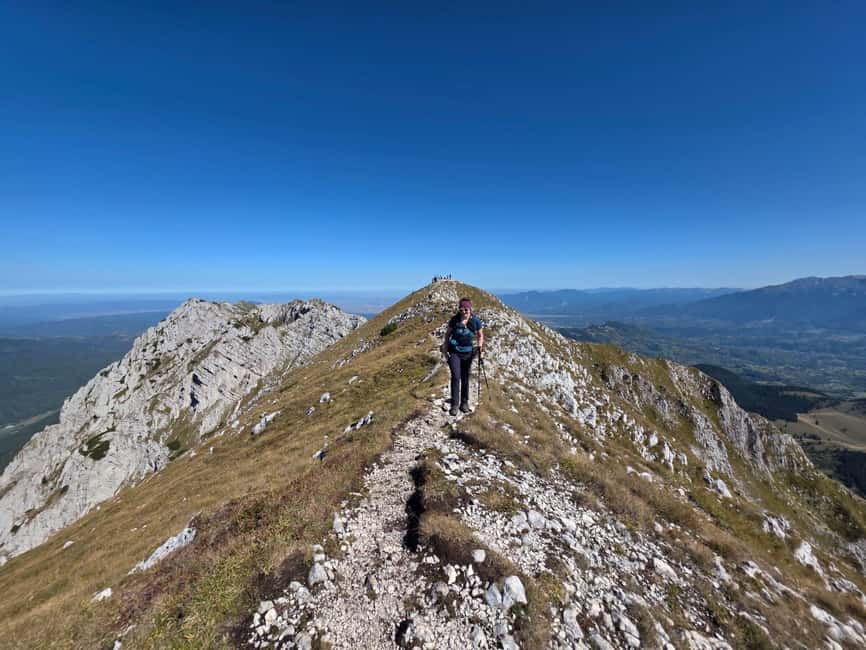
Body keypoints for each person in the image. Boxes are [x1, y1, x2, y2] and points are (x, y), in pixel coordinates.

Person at [441, 297, 484, 415]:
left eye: (466, 309)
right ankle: (455, 405)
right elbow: (447, 335)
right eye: (461, 309)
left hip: (468, 353)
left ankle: (464, 403)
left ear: (470, 309)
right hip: (454, 351)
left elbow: (480, 335)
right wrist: (445, 350)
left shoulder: (475, 321)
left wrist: (480, 347)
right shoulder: (454, 320)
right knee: (456, 376)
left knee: (465, 378)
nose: (464, 311)